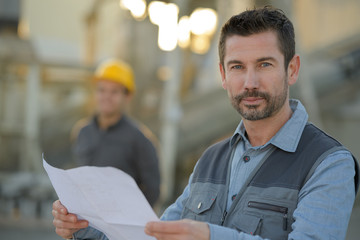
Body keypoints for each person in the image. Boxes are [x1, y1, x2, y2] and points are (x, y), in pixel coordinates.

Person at [52, 6, 359, 240]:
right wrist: (83, 228)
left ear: (292, 70)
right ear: (223, 76)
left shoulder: (329, 164)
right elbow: (153, 234)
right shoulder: (211, 160)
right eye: (237, 67)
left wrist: (210, 236)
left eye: (264, 64)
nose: (250, 82)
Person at [72, 58, 160, 206]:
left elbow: (153, 191)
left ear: (127, 96)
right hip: (86, 220)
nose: (106, 97)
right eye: (102, 90)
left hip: (119, 225)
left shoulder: (140, 140)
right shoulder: (82, 132)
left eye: (114, 92)